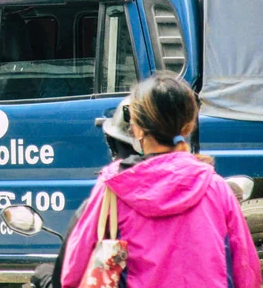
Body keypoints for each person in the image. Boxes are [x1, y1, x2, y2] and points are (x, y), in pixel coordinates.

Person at [60, 72, 260, 287]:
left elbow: (74, 269)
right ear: (188, 126)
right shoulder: (215, 187)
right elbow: (246, 269)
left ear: (136, 128)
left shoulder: (115, 185)